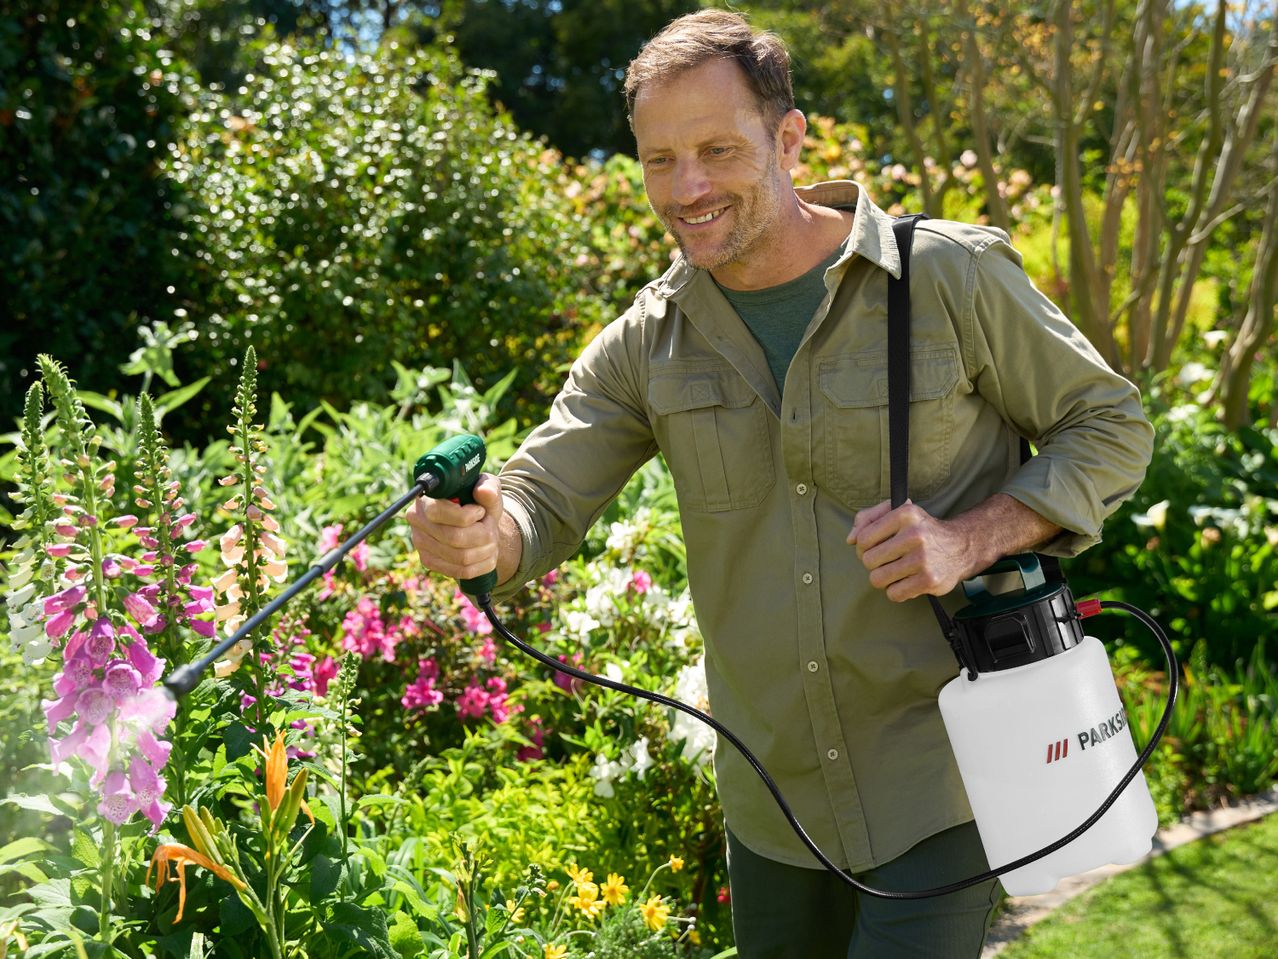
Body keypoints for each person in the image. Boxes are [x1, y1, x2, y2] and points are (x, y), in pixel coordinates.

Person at [407, 9, 1153, 958]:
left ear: (789, 137)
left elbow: (1111, 424)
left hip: (947, 775)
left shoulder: (948, 277)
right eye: (659, 160)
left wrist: (973, 536)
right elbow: (538, 497)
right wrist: (483, 534)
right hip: (772, 803)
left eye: (718, 149)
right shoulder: (648, 339)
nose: (689, 188)